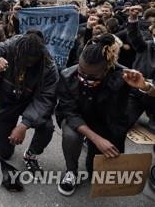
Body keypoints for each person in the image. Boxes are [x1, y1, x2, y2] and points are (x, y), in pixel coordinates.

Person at [55, 34, 154, 196]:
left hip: (107, 122)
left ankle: (94, 151)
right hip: (78, 119)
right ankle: (71, 171)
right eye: (81, 72)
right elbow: (69, 112)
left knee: (97, 172)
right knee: (71, 136)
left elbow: (145, 94)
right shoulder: (67, 76)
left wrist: (144, 86)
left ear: (108, 68)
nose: (84, 78)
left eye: (92, 76)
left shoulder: (124, 75)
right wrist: (96, 139)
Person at [0, 32, 59, 191]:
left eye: (32, 63)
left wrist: (24, 125)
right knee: (4, 154)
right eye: (24, 61)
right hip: (5, 101)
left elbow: (46, 100)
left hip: (30, 101)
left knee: (47, 126)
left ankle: (31, 154)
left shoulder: (49, 66)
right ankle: (1, 133)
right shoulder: (5, 48)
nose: (27, 66)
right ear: (17, 51)